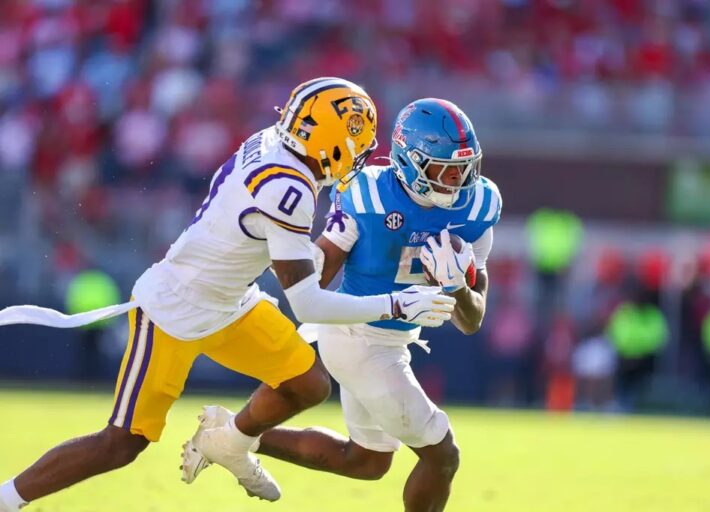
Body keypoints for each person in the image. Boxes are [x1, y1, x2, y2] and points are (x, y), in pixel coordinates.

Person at [0, 79, 456, 511]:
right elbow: (309, 304)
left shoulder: (277, 145)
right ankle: (6, 498)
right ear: (329, 140)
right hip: (175, 308)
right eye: (357, 143)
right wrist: (397, 303)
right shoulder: (289, 188)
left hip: (228, 301)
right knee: (122, 443)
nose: (359, 155)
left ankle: (230, 443)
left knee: (307, 383)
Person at [184, 98, 501, 512]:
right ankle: (234, 435)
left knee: (367, 462)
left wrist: (457, 286)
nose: (458, 180)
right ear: (408, 160)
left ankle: (231, 433)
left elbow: (471, 319)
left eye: (465, 167)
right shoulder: (368, 194)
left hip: (393, 342)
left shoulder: (479, 205)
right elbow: (315, 274)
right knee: (443, 454)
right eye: (444, 169)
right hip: (355, 334)